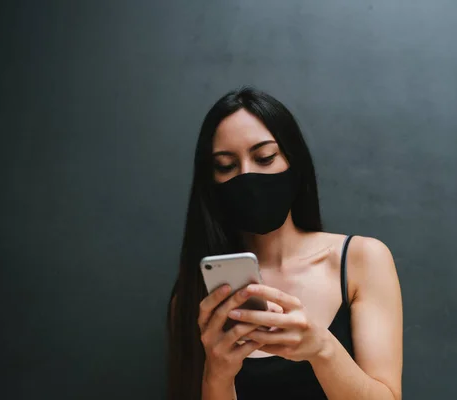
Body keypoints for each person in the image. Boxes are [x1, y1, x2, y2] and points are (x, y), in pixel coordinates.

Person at [166, 87, 403, 400]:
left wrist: (322, 348)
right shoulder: (197, 295)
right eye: (226, 166)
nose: (247, 176)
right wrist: (217, 375)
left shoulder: (361, 260)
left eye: (264, 158)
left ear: (294, 161)